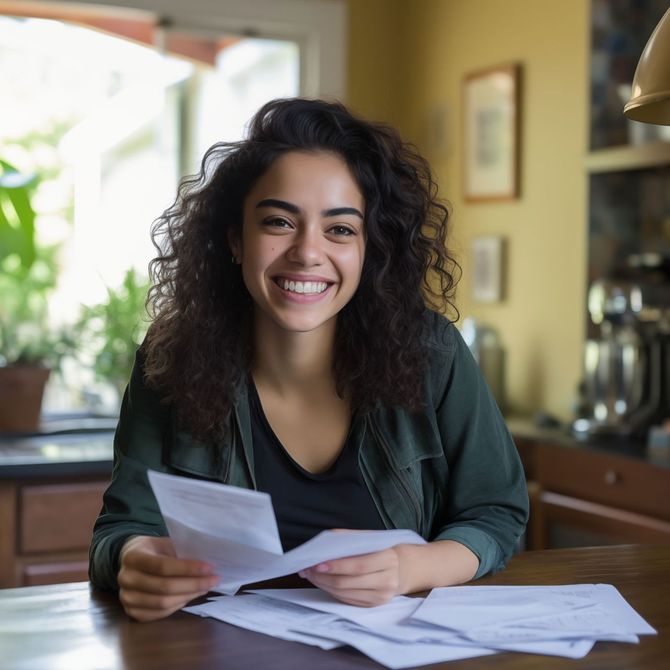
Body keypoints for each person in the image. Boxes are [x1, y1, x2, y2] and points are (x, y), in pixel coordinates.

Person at [89, 98, 528, 622]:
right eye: (278, 222)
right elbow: (120, 529)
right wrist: (135, 560)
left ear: (370, 248)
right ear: (235, 239)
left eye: (340, 229)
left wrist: (411, 567)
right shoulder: (171, 359)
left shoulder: (432, 353)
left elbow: (497, 513)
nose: (307, 252)